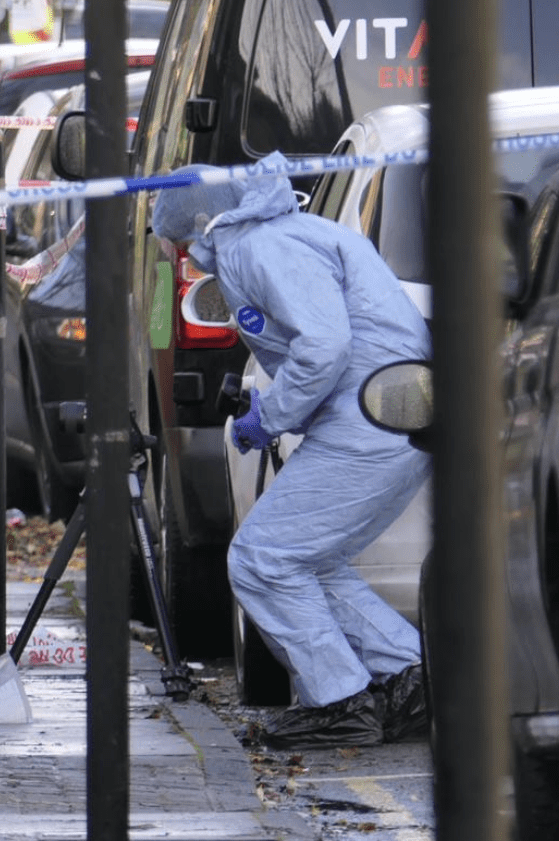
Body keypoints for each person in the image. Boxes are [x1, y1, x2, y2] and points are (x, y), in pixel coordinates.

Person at [152, 151, 432, 748]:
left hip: (370, 415)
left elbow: (324, 347)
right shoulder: (288, 234)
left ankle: (338, 701)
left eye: (177, 240)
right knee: (308, 559)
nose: (180, 254)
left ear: (202, 223)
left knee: (260, 560)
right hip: (390, 410)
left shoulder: (258, 248)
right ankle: (410, 677)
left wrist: (270, 418)